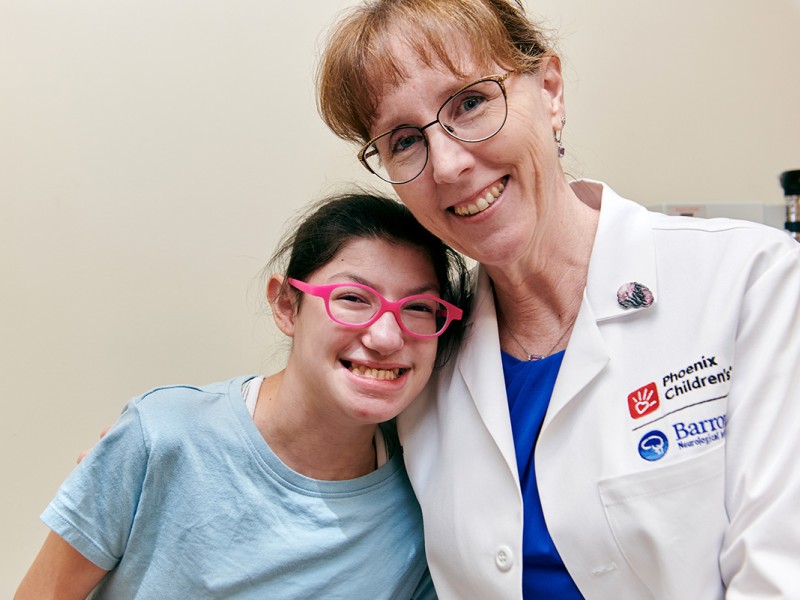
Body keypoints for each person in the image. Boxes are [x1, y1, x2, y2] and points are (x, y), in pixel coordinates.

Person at [316, 1, 800, 598]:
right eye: (405, 141)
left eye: (471, 103)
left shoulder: (752, 281)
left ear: (550, 91)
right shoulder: (422, 355)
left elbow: (781, 574)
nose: (448, 165)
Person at [14, 191, 469, 600]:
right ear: (286, 305)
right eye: (352, 298)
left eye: (419, 307)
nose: (386, 336)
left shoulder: (424, 508)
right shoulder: (160, 438)